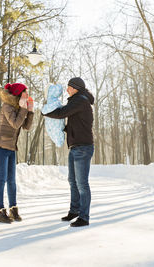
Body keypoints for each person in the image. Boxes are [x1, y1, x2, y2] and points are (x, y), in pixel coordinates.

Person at [42, 77, 94, 227]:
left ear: (75, 88)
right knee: (73, 181)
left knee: (82, 183)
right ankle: (75, 210)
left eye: (69, 87)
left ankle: (84, 217)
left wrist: (45, 113)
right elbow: (73, 124)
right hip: (75, 146)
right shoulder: (77, 101)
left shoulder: (81, 100)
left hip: (83, 147)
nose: (67, 89)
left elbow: (61, 113)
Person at [0, 83, 34, 224]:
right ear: (18, 93)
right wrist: (23, 109)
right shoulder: (7, 106)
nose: (27, 95)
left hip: (11, 147)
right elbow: (15, 124)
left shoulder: (18, 107)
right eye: (25, 92)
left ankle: (13, 209)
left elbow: (26, 127)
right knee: (2, 178)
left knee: (12, 180)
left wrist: (30, 111)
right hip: (0, 146)